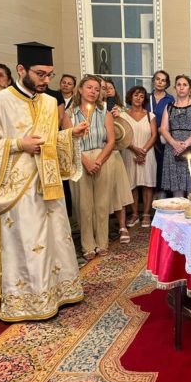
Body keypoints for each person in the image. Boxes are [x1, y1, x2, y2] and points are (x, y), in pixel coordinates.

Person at [0, 42, 87, 321]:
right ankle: (29, 302)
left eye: (49, 74)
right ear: (21, 70)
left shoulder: (48, 102)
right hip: (17, 190)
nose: (46, 80)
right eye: (40, 74)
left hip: (48, 185)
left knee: (54, 239)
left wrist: (70, 136)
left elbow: (49, 140)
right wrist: (19, 144)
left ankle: (57, 294)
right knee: (29, 243)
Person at [69, 75, 115, 260]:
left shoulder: (105, 113)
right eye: (89, 87)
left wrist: (98, 161)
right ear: (80, 89)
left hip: (101, 157)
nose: (93, 92)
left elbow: (111, 141)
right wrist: (85, 161)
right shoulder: (70, 114)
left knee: (102, 204)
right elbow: (69, 140)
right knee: (84, 205)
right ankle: (87, 245)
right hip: (80, 158)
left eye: (97, 89)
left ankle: (102, 242)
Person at [160, 75, 191, 197]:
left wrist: (184, 145)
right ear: (175, 88)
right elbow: (163, 128)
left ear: (189, 88)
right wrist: (174, 143)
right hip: (173, 149)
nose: (181, 87)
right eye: (179, 85)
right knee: (177, 188)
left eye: (185, 85)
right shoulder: (169, 107)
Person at [102, 78, 134, 244]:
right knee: (102, 194)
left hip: (115, 153)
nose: (107, 91)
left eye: (110, 88)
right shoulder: (93, 109)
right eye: (103, 88)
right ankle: (102, 228)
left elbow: (125, 133)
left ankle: (122, 227)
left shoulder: (119, 109)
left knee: (118, 192)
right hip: (97, 153)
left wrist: (118, 118)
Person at [122, 86, 157, 228]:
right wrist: (134, 149)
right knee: (132, 184)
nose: (138, 98)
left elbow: (154, 135)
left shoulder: (150, 115)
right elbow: (121, 136)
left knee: (147, 184)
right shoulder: (123, 115)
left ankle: (146, 214)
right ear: (130, 97)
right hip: (129, 152)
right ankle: (135, 214)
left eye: (141, 96)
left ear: (144, 100)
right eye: (136, 95)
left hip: (147, 153)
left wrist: (143, 151)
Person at [147, 70, 174, 199]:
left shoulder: (170, 99)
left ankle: (162, 193)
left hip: (163, 138)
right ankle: (150, 195)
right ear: (153, 81)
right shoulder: (147, 98)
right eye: (158, 79)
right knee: (149, 165)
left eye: (163, 80)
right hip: (147, 137)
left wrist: (162, 128)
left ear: (167, 84)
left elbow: (173, 117)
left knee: (162, 164)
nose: (160, 82)